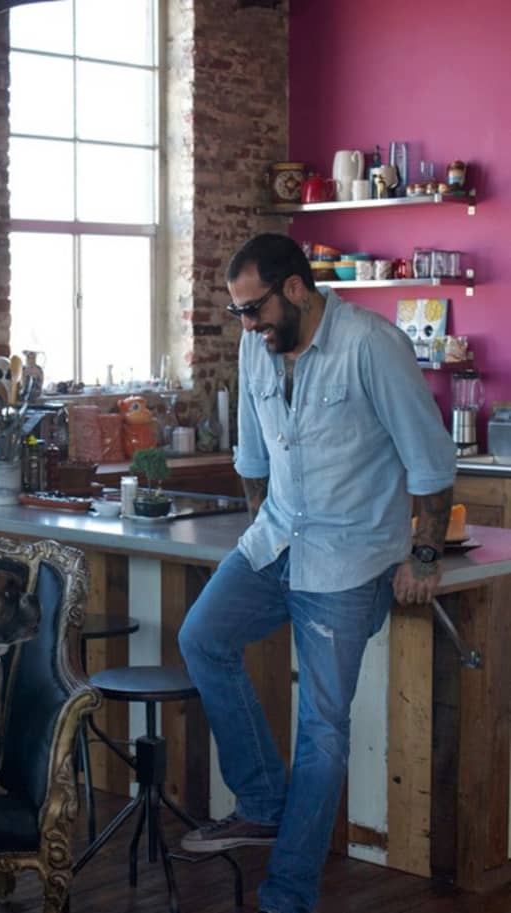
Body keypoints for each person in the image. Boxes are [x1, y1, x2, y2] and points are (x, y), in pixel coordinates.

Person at [178, 232, 456, 913]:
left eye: (254, 309)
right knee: (202, 637)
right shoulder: (256, 346)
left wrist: (422, 554)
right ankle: (264, 801)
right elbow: (252, 455)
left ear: (296, 288)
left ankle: (289, 892)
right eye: (239, 311)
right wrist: (252, 527)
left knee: (322, 730)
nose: (246, 324)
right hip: (275, 542)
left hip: (350, 558)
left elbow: (431, 463)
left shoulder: (371, 345)